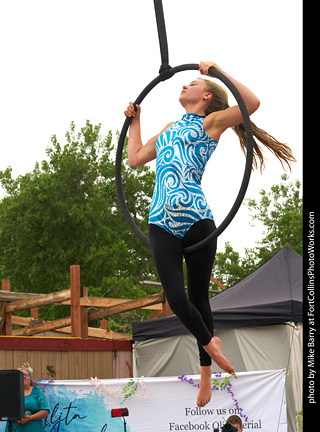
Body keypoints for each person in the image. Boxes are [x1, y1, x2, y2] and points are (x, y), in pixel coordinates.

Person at [125, 61, 295, 408]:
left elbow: (252, 105)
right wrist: (135, 121)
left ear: (205, 97)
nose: (182, 87)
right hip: (162, 220)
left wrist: (218, 72)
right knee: (176, 298)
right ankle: (211, 346)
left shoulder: (211, 123)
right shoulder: (171, 128)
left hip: (197, 219)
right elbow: (136, 158)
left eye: (190, 84)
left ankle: (205, 375)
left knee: (200, 299)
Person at [5, 364, 50, 432]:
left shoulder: (37, 391)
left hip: (33, 427)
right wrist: (16, 419)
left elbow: (45, 411)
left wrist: (30, 418)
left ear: (30, 378)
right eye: (20, 374)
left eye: (26, 375)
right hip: (15, 426)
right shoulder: (11, 392)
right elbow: (4, 411)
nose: (23, 377)